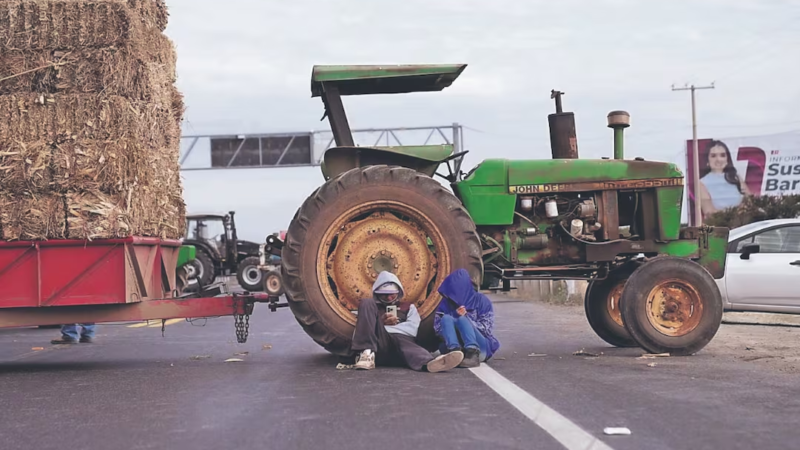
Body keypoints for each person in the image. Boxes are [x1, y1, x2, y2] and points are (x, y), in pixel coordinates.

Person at [351, 271, 464, 372]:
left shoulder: (408, 307)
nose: (389, 298)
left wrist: (397, 323)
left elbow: (413, 328)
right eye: (384, 295)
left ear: (399, 292)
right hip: (379, 344)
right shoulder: (372, 307)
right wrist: (380, 323)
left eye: (392, 294)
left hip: (402, 343)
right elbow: (360, 326)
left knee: (409, 346)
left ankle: (431, 363)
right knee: (366, 302)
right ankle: (365, 354)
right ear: (378, 294)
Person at [433, 269, 500, 368]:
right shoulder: (446, 302)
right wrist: (452, 321)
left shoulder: (481, 301)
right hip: (457, 347)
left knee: (462, 320)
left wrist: (466, 317)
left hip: (480, 348)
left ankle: (472, 352)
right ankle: (454, 352)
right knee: (446, 318)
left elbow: (487, 329)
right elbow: (437, 330)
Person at [698, 140, 751, 219]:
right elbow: (709, 212)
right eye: (713, 156)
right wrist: (735, 215)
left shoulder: (736, 178)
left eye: (722, 155)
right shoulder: (701, 183)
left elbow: (750, 200)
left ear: (727, 159)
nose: (718, 159)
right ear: (707, 160)